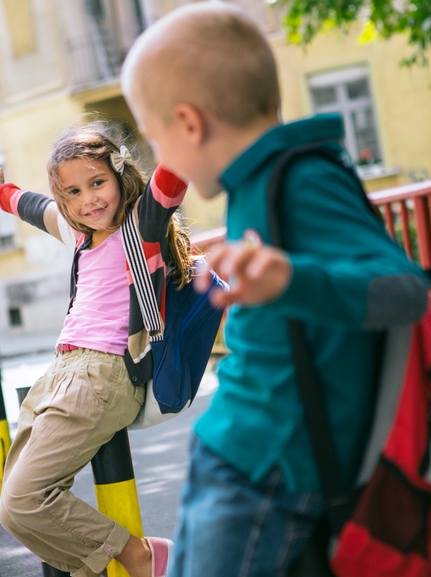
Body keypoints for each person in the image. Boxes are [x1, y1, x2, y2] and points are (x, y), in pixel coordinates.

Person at [120, 4, 429, 577]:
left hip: (265, 466)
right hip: (248, 454)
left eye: (157, 137)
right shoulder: (260, 182)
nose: (163, 157)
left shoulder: (301, 179)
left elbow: (407, 290)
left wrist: (290, 278)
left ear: (189, 124)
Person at [0, 122, 191, 577]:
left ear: (120, 176)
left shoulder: (140, 228)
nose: (87, 199)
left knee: (24, 502)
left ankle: (141, 557)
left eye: (97, 183)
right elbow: (29, 206)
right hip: (60, 374)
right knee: (14, 507)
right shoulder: (77, 234)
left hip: (102, 375)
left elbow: (172, 178)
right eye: (72, 192)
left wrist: (183, 125)